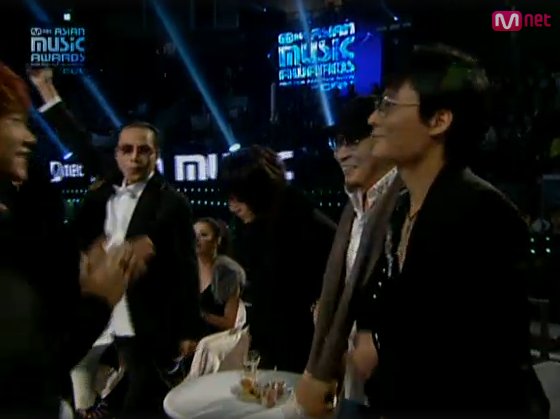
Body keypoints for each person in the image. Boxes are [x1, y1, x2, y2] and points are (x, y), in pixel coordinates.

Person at [351, 44, 548, 417]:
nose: (373, 119)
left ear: (439, 120)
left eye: (388, 105)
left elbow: (488, 367)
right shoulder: (399, 211)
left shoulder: (484, 217)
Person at [0, 61, 130, 417]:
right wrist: (99, 299)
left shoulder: (29, 189)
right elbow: (26, 371)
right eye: (15, 121)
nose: (30, 137)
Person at [72, 121, 201, 417]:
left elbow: (186, 269)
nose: (134, 157)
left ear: (156, 155)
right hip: (96, 308)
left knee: (143, 393)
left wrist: (188, 329)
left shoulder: (173, 203)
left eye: (143, 150)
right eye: (127, 150)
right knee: (81, 375)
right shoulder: (100, 194)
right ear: (117, 154)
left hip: (143, 315)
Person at [296, 97, 400, 416]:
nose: (340, 154)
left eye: (353, 141)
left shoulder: (408, 204)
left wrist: (375, 334)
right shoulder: (351, 209)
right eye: (337, 143)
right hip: (351, 380)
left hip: (394, 386)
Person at [220, 145, 336, 373]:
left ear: (256, 190)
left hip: (306, 347)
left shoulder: (307, 224)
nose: (232, 206)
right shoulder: (252, 226)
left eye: (237, 197)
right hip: (270, 343)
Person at [194, 217, 246, 337]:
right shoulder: (185, 270)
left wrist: (202, 315)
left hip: (213, 341)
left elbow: (229, 322)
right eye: (193, 235)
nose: (196, 239)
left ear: (217, 240)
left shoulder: (228, 275)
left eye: (203, 235)